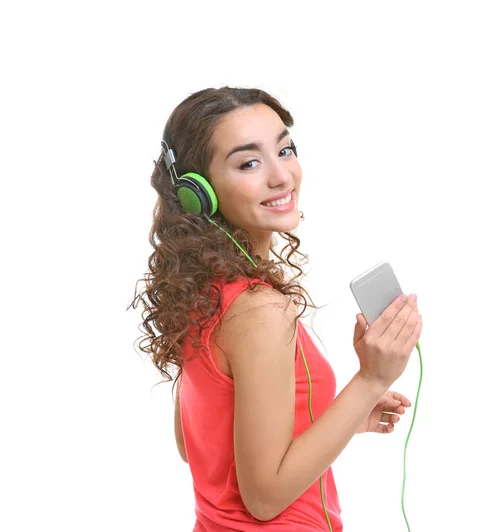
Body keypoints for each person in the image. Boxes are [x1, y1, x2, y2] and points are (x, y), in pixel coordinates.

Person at [129, 86, 423, 531]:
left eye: (285, 150)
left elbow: (197, 444)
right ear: (197, 193)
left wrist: (336, 419)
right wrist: (370, 379)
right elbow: (264, 499)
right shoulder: (259, 310)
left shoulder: (207, 294)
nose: (282, 176)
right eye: (249, 162)